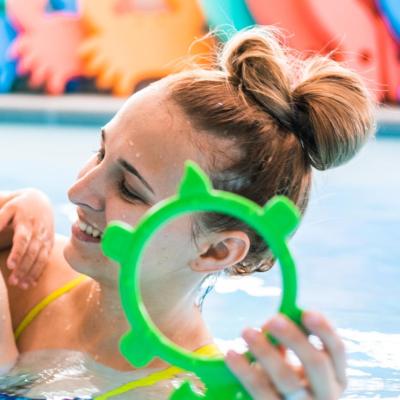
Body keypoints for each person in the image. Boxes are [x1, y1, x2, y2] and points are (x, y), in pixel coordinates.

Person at [0, 27, 375, 399]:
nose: (78, 192)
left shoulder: (187, 392)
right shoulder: (23, 266)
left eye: (130, 190)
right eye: (100, 153)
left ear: (216, 251)